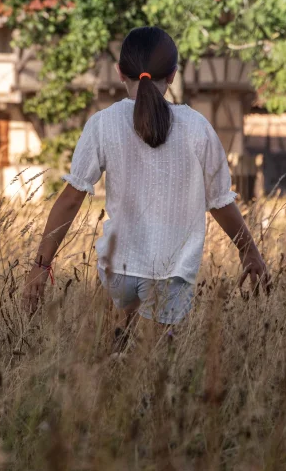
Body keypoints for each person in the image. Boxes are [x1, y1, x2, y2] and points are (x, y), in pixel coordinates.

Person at [23, 26, 270, 347]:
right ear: (173, 75)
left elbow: (71, 199)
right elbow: (220, 202)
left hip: (118, 270)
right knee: (153, 375)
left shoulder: (103, 123)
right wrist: (249, 251)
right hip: (172, 274)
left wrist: (41, 265)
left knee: (109, 364)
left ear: (119, 72)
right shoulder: (198, 128)